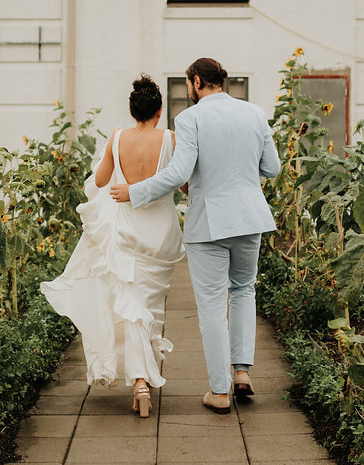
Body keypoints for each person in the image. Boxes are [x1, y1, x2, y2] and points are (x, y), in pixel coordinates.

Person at [110, 57, 281, 414]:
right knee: (244, 290)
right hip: (250, 218)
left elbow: (179, 173)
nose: (188, 91)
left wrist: (135, 191)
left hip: (210, 224)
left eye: (189, 84)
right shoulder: (255, 113)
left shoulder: (189, 119)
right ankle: (242, 373)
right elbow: (271, 168)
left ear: (198, 82)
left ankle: (219, 391)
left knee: (213, 305)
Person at [41, 75, 185, 418]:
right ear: (160, 110)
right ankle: (141, 379)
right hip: (161, 234)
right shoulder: (172, 139)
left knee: (131, 304)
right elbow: (181, 182)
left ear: (133, 110)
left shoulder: (117, 138)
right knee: (148, 307)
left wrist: (118, 162)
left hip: (126, 231)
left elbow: (102, 180)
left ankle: (140, 382)